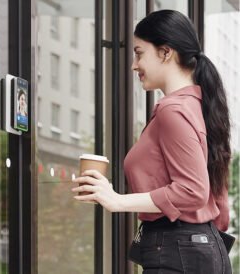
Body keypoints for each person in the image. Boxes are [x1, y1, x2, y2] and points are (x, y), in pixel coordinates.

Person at [71, 9, 232, 274]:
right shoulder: (199, 106)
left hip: (178, 250)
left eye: (139, 53)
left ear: (165, 52)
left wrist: (117, 200)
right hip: (196, 248)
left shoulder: (173, 111)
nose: (134, 65)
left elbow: (193, 190)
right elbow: (218, 203)